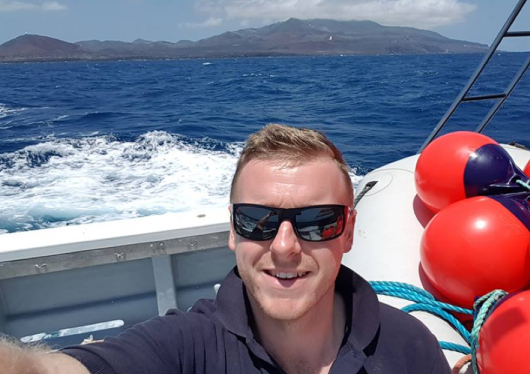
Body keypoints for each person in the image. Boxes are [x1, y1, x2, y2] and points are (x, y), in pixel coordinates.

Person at [0, 124, 451, 374]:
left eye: (318, 222)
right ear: (233, 232)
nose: (285, 246)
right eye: (258, 221)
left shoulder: (409, 347)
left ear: (348, 232)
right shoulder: (185, 349)